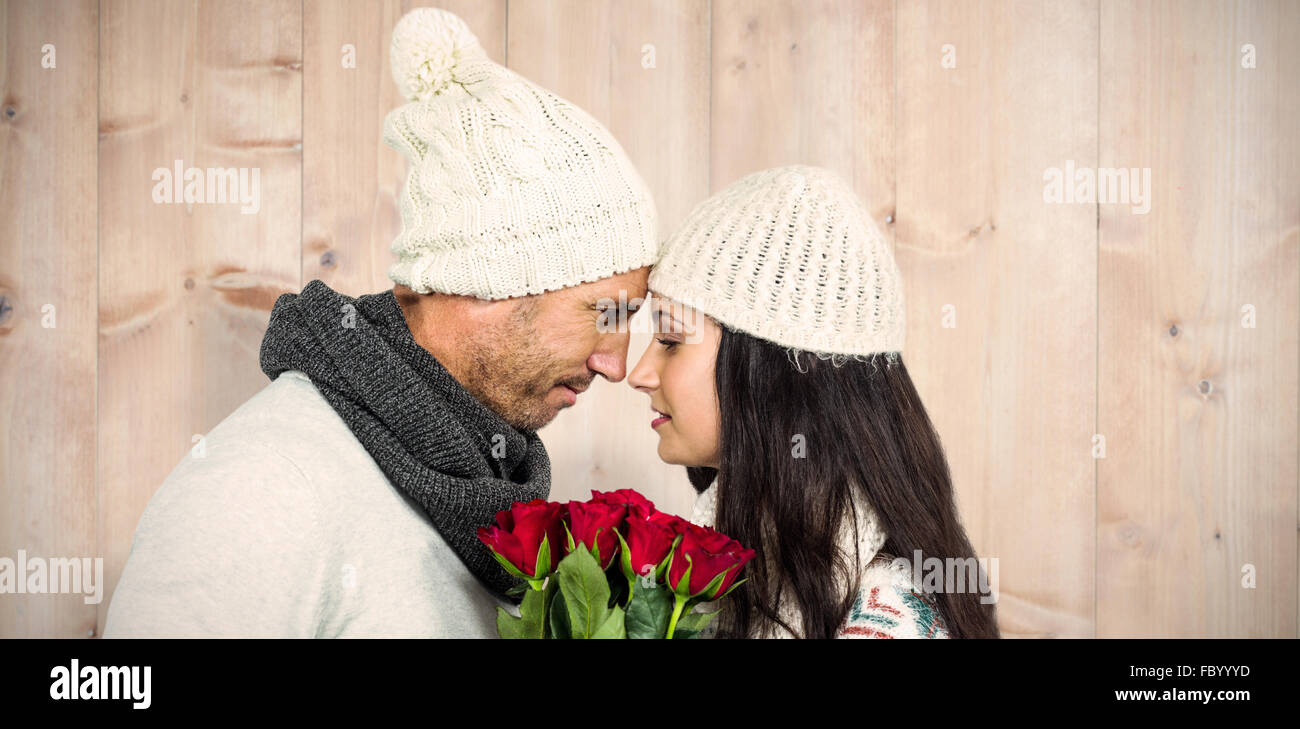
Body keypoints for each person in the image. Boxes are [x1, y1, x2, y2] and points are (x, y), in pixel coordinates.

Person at [103, 7, 658, 637]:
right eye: (601, 311)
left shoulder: (487, 479)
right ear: (483, 285)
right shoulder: (262, 488)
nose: (615, 364)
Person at [628, 166, 1000, 638]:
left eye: (670, 338)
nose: (637, 374)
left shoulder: (888, 622)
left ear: (768, 373)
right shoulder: (744, 564)